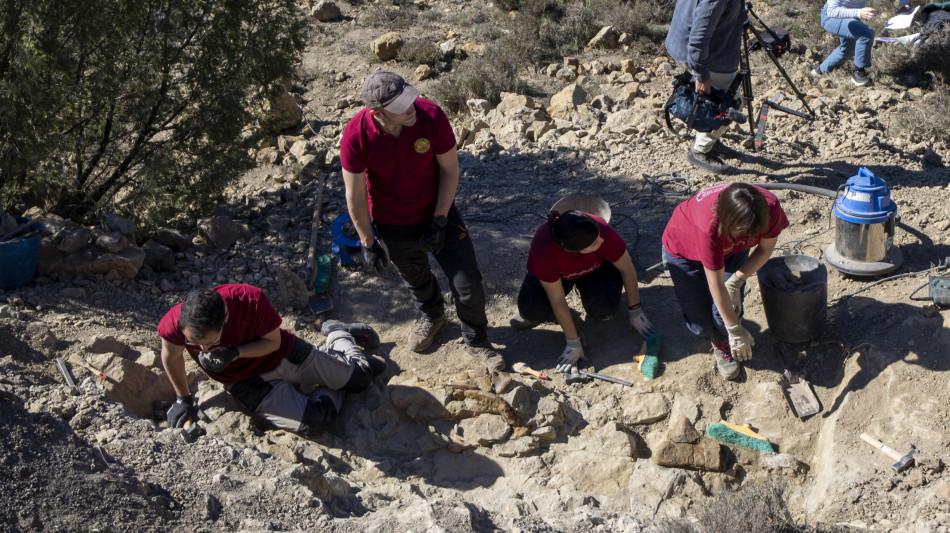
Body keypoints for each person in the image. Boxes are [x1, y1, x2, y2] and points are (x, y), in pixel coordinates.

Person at [339, 70, 504, 372]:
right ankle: (433, 315)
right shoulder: (356, 135)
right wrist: (368, 242)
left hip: (438, 211)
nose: (411, 107)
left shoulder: (430, 116)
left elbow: (450, 170)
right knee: (415, 276)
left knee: (467, 283)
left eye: (409, 97)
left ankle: (477, 339)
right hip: (392, 221)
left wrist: (439, 220)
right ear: (378, 113)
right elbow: (355, 193)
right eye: (400, 106)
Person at [158, 284, 386, 436]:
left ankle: (338, 334)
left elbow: (273, 342)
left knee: (361, 378)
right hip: (246, 383)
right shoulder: (175, 324)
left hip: (282, 353)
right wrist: (183, 399)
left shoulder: (249, 299)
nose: (203, 350)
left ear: (225, 318)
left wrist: (235, 353)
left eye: (211, 342)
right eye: (194, 344)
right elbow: (171, 356)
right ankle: (337, 374)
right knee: (316, 422)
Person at [661, 183, 789, 380]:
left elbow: (764, 249)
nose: (748, 237)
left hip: (732, 252)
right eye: (742, 232)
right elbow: (716, 284)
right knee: (701, 326)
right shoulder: (710, 225)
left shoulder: (769, 207)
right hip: (686, 251)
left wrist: (737, 280)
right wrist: (735, 330)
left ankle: (723, 340)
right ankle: (717, 331)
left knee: (726, 312)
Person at [511, 210, 656, 373]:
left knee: (604, 310)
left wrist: (635, 310)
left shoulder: (599, 230)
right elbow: (557, 298)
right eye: (594, 243)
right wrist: (573, 342)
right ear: (572, 251)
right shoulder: (544, 252)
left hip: (596, 267)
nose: (601, 240)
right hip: (561, 275)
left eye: (599, 236)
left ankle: (592, 294)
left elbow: (627, 270)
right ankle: (571, 319)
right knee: (531, 308)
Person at [665, 0, 746, 174]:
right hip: (709, 56)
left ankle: (711, 137)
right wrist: (701, 74)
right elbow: (699, 38)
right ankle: (700, 151)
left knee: (715, 101)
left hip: (684, 44)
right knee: (732, 104)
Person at [812, 0, 879, 86]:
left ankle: (819, 71)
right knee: (866, 33)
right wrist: (859, 12)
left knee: (848, 49)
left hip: (851, 17)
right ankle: (858, 72)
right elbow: (832, 11)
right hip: (831, 17)